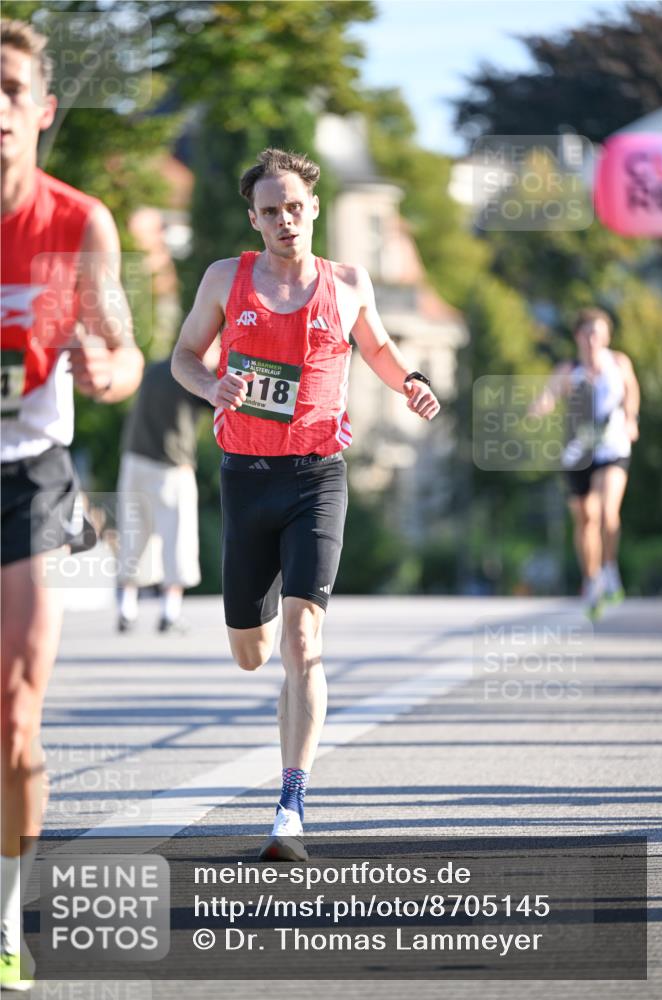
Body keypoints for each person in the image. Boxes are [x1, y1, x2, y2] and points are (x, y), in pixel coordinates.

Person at [171, 147, 440, 861]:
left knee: (302, 645)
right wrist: (210, 386)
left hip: (318, 477)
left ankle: (290, 805)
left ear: (313, 208)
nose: (285, 220)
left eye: (295, 207)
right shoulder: (226, 279)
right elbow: (184, 357)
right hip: (245, 476)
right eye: (270, 211)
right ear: (253, 219)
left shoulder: (347, 283)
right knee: (252, 653)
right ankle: (259, 664)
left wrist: (408, 381)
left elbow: (379, 348)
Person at [1, 19, 143, 991]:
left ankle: (6, 914)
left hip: (25, 474)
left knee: (14, 719)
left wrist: (108, 367)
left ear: (42, 111)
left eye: (9, 89)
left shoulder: (78, 221)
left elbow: (127, 352)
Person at [532, 307, 640, 618]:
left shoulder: (619, 363)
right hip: (579, 452)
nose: (593, 339)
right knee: (585, 519)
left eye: (599, 334)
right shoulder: (569, 370)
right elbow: (550, 395)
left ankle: (609, 569)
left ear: (606, 337)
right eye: (588, 333)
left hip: (613, 447)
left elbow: (631, 392)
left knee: (608, 513)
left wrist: (631, 418)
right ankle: (591, 579)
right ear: (578, 336)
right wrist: (539, 407)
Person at [115, 343, 216, 634]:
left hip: (134, 459)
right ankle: (169, 613)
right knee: (178, 541)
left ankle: (127, 608)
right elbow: (216, 404)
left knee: (133, 535)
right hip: (172, 466)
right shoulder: (193, 375)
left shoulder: (155, 369)